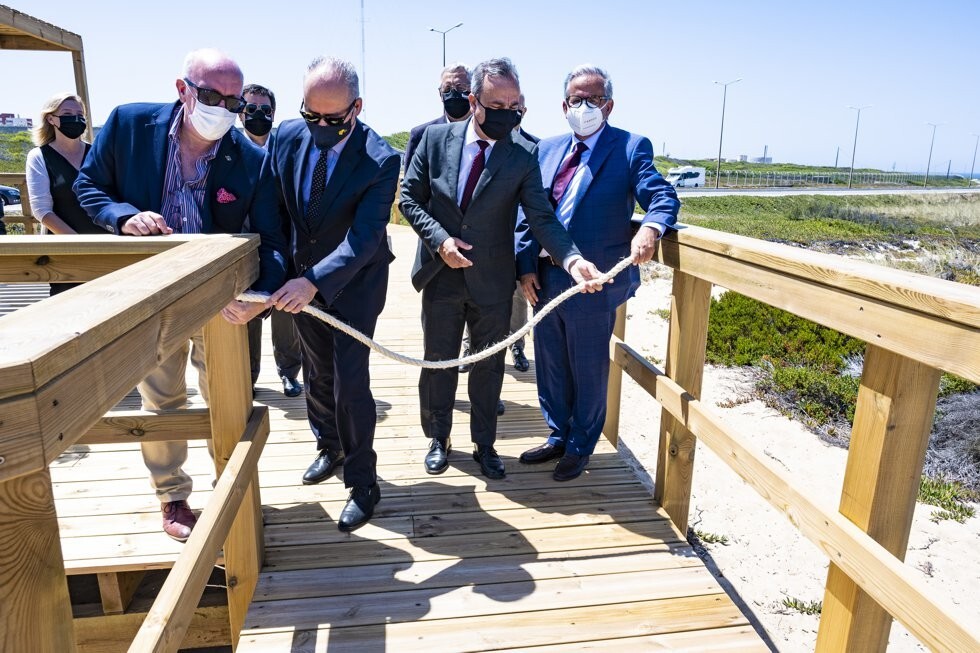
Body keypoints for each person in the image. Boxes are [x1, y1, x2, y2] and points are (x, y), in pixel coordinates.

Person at [74, 49, 287, 542]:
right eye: (212, 95)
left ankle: (230, 488)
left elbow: (272, 239)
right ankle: (172, 497)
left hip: (222, 302)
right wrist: (122, 217)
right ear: (182, 88)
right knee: (162, 400)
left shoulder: (251, 160)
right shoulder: (129, 125)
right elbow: (90, 188)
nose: (225, 109)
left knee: (227, 400)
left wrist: (260, 293)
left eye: (234, 101)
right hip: (152, 296)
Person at [400, 57, 606, 481]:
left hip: (493, 279)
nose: (508, 113)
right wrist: (440, 240)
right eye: (498, 104)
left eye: (515, 105)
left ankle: (485, 444)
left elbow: (541, 217)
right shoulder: (433, 139)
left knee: (488, 364)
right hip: (440, 275)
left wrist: (572, 258)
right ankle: (438, 439)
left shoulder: (522, 154)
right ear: (474, 100)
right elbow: (408, 199)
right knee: (438, 360)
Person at [516, 65, 680, 481]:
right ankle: (557, 434)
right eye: (576, 98)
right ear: (563, 104)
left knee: (587, 366)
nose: (583, 106)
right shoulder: (546, 149)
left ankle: (580, 446)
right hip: (546, 276)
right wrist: (524, 266)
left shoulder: (629, 146)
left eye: (593, 98)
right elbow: (528, 214)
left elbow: (660, 194)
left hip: (594, 282)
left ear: (608, 104)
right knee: (550, 361)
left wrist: (650, 226)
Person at [268, 57, 400, 533]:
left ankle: (364, 482)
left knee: (350, 382)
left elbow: (364, 238)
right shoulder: (285, 136)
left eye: (334, 118)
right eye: (312, 116)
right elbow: (273, 208)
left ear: (357, 108)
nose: (321, 127)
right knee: (316, 371)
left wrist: (315, 282)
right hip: (298, 281)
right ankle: (329, 446)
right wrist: (280, 272)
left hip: (355, 285)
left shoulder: (381, 159)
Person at [239, 83, 304, 399]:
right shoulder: (230, 148)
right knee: (247, 315)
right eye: (251, 109)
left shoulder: (286, 148)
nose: (258, 115)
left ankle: (289, 373)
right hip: (243, 247)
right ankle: (248, 377)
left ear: (274, 113)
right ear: (241, 112)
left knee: (286, 314)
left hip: (283, 244)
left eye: (265, 110)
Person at [25, 93, 102, 295]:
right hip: (66, 251)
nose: (75, 119)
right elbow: (42, 211)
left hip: (104, 246)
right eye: (67, 113)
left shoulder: (96, 154)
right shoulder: (39, 157)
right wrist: (79, 244)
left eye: (80, 114)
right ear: (51, 119)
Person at [403, 63, 472, 172]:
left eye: (460, 88)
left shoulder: (485, 132)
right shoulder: (421, 134)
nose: (453, 93)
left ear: (473, 92)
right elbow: (410, 184)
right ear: (440, 94)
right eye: (447, 88)